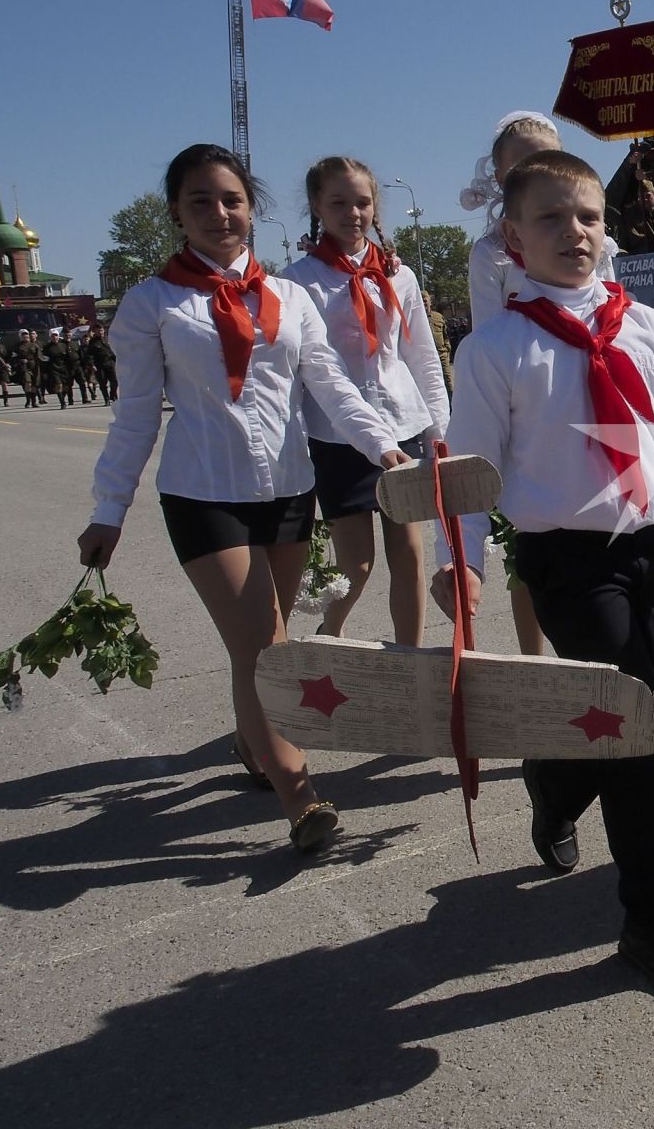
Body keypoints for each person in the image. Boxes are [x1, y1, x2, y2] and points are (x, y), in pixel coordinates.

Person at [432, 148, 654, 992]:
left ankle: (555, 777)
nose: (574, 232)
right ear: (513, 237)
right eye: (551, 218)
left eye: (588, 217)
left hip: (649, 550)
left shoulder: (641, 326)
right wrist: (458, 557)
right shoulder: (496, 349)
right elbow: (467, 469)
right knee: (640, 725)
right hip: (567, 561)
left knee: (610, 720)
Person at [78, 143, 411, 853]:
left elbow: (331, 386)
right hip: (204, 495)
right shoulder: (152, 304)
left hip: (289, 491)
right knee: (267, 645)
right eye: (200, 201)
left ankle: (252, 740)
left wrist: (384, 447)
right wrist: (110, 509)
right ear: (177, 212)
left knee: (255, 644)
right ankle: (302, 799)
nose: (219, 214)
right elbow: (136, 415)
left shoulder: (288, 299)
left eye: (231, 200)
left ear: (252, 209)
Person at [279, 157, 451, 646]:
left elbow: (422, 356)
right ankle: (329, 633)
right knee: (356, 565)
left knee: (409, 554)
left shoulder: (399, 276)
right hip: (337, 435)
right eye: (338, 202)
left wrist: (438, 428)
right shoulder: (297, 281)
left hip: (404, 424)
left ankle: (409, 657)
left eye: (362, 202)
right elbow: (312, 370)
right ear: (316, 206)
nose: (353, 213)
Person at [83, 323, 117, 405]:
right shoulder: (92, 342)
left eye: (101, 330)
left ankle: (113, 395)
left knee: (115, 382)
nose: (100, 332)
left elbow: (112, 352)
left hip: (110, 363)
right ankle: (106, 399)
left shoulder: (107, 340)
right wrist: (92, 365)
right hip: (99, 365)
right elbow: (89, 355)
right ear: (95, 332)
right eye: (98, 331)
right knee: (103, 383)